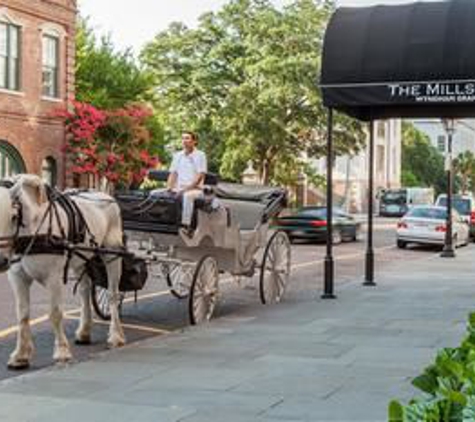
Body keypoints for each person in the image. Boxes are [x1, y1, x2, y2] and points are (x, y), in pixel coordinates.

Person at [167, 131, 207, 229]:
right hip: (179, 188)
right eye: (183, 138)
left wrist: (186, 189)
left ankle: (185, 226)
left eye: (187, 138)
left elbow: (200, 176)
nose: (184, 141)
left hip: (195, 189)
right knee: (155, 194)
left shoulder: (200, 155)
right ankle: (163, 223)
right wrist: (169, 187)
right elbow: (173, 174)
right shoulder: (177, 155)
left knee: (187, 196)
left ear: (194, 141)